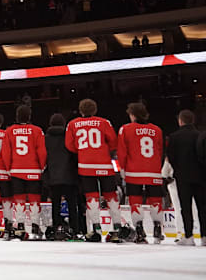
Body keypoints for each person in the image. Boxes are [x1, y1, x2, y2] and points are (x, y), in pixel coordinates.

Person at [65, 98, 123, 242]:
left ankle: (96, 230)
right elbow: (113, 142)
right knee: (111, 197)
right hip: (104, 164)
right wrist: (102, 151)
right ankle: (117, 229)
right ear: (95, 109)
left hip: (85, 166)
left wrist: (84, 152)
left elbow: (70, 145)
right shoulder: (104, 122)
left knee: (91, 198)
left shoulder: (73, 124)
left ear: (80, 110)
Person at [117, 102, 165, 244]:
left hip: (134, 171)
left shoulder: (125, 129)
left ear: (132, 115)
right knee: (156, 201)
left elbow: (122, 152)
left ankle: (139, 231)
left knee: (135, 201)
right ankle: (157, 228)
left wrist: (123, 169)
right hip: (153, 171)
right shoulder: (157, 130)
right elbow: (160, 151)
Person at [5, 105, 47, 238]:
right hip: (33, 169)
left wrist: (8, 168)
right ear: (29, 116)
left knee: (19, 200)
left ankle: (20, 227)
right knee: (35, 199)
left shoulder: (9, 131)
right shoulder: (37, 130)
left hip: (16, 169)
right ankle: (35, 227)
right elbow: (42, 151)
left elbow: (6, 152)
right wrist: (42, 166)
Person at [166, 109, 206, 246]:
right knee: (202, 207)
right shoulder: (200, 135)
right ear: (193, 121)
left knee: (185, 208)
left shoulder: (174, 137)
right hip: (200, 177)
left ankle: (189, 236)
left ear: (180, 121)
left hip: (183, 177)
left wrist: (178, 170)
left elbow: (171, 157)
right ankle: (204, 236)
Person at [44, 113, 81, 238]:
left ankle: (56, 228)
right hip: (69, 175)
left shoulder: (46, 138)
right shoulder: (69, 136)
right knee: (72, 205)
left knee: (55, 205)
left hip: (53, 176)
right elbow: (75, 154)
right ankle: (74, 229)